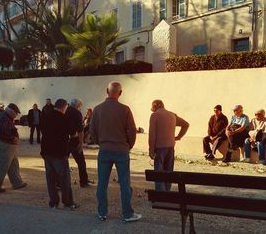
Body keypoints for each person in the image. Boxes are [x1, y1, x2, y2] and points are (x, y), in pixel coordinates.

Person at [90, 81, 142, 222]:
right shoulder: (125, 109)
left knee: (102, 183)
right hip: (121, 150)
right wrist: (128, 145)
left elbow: (92, 131)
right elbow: (132, 131)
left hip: (105, 149)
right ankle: (127, 214)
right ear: (120, 93)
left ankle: (102, 212)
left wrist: (100, 142)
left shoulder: (97, 109)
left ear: (107, 91)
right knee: (124, 183)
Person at [40, 98, 79, 210]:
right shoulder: (64, 118)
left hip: (46, 151)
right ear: (63, 107)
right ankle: (68, 202)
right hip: (59, 152)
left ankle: (54, 202)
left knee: (50, 179)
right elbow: (73, 133)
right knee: (64, 179)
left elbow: (43, 131)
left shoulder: (45, 116)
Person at [148, 100, 189, 191]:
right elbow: (186, 125)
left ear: (155, 106)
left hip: (159, 148)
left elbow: (152, 134)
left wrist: (151, 149)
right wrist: (178, 137)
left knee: (159, 173)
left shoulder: (155, 116)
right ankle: (167, 192)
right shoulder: (172, 115)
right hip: (170, 147)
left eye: (153, 108)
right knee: (168, 172)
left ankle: (161, 194)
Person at [0, 103, 27, 193]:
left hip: (7, 145)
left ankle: (17, 183)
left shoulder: (4, 117)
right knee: (1, 167)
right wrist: (12, 138)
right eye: (16, 113)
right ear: (11, 111)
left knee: (13, 165)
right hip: (6, 145)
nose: (16, 115)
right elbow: (2, 132)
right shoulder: (4, 118)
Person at [65, 99, 93, 188]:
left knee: (63, 161)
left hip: (64, 140)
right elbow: (80, 130)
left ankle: (59, 183)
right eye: (80, 106)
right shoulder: (77, 113)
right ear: (78, 106)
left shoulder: (64, 110)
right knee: (81, 162)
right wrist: (81, 143)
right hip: (74, 140)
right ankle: (83, 181)